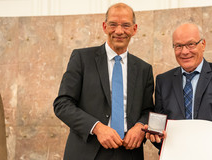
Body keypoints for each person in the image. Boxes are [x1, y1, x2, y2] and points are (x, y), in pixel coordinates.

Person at [53, 3, 154, 160]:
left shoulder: (144, 69)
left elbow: (148, 110)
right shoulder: (82, 59)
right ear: (104, 26)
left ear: (134, 29)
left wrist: (140, 126)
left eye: (126, 25)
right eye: (113, 24)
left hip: (129, 153)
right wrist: (97, 127)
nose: (119, 31)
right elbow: (62, 104)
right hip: (86, 151)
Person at [144, 23, 212, 149]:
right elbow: (159, 132)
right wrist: (155, 136)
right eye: (178, 46)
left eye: (191, 44)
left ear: (203, 44)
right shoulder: (163, 81)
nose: (185, 52)